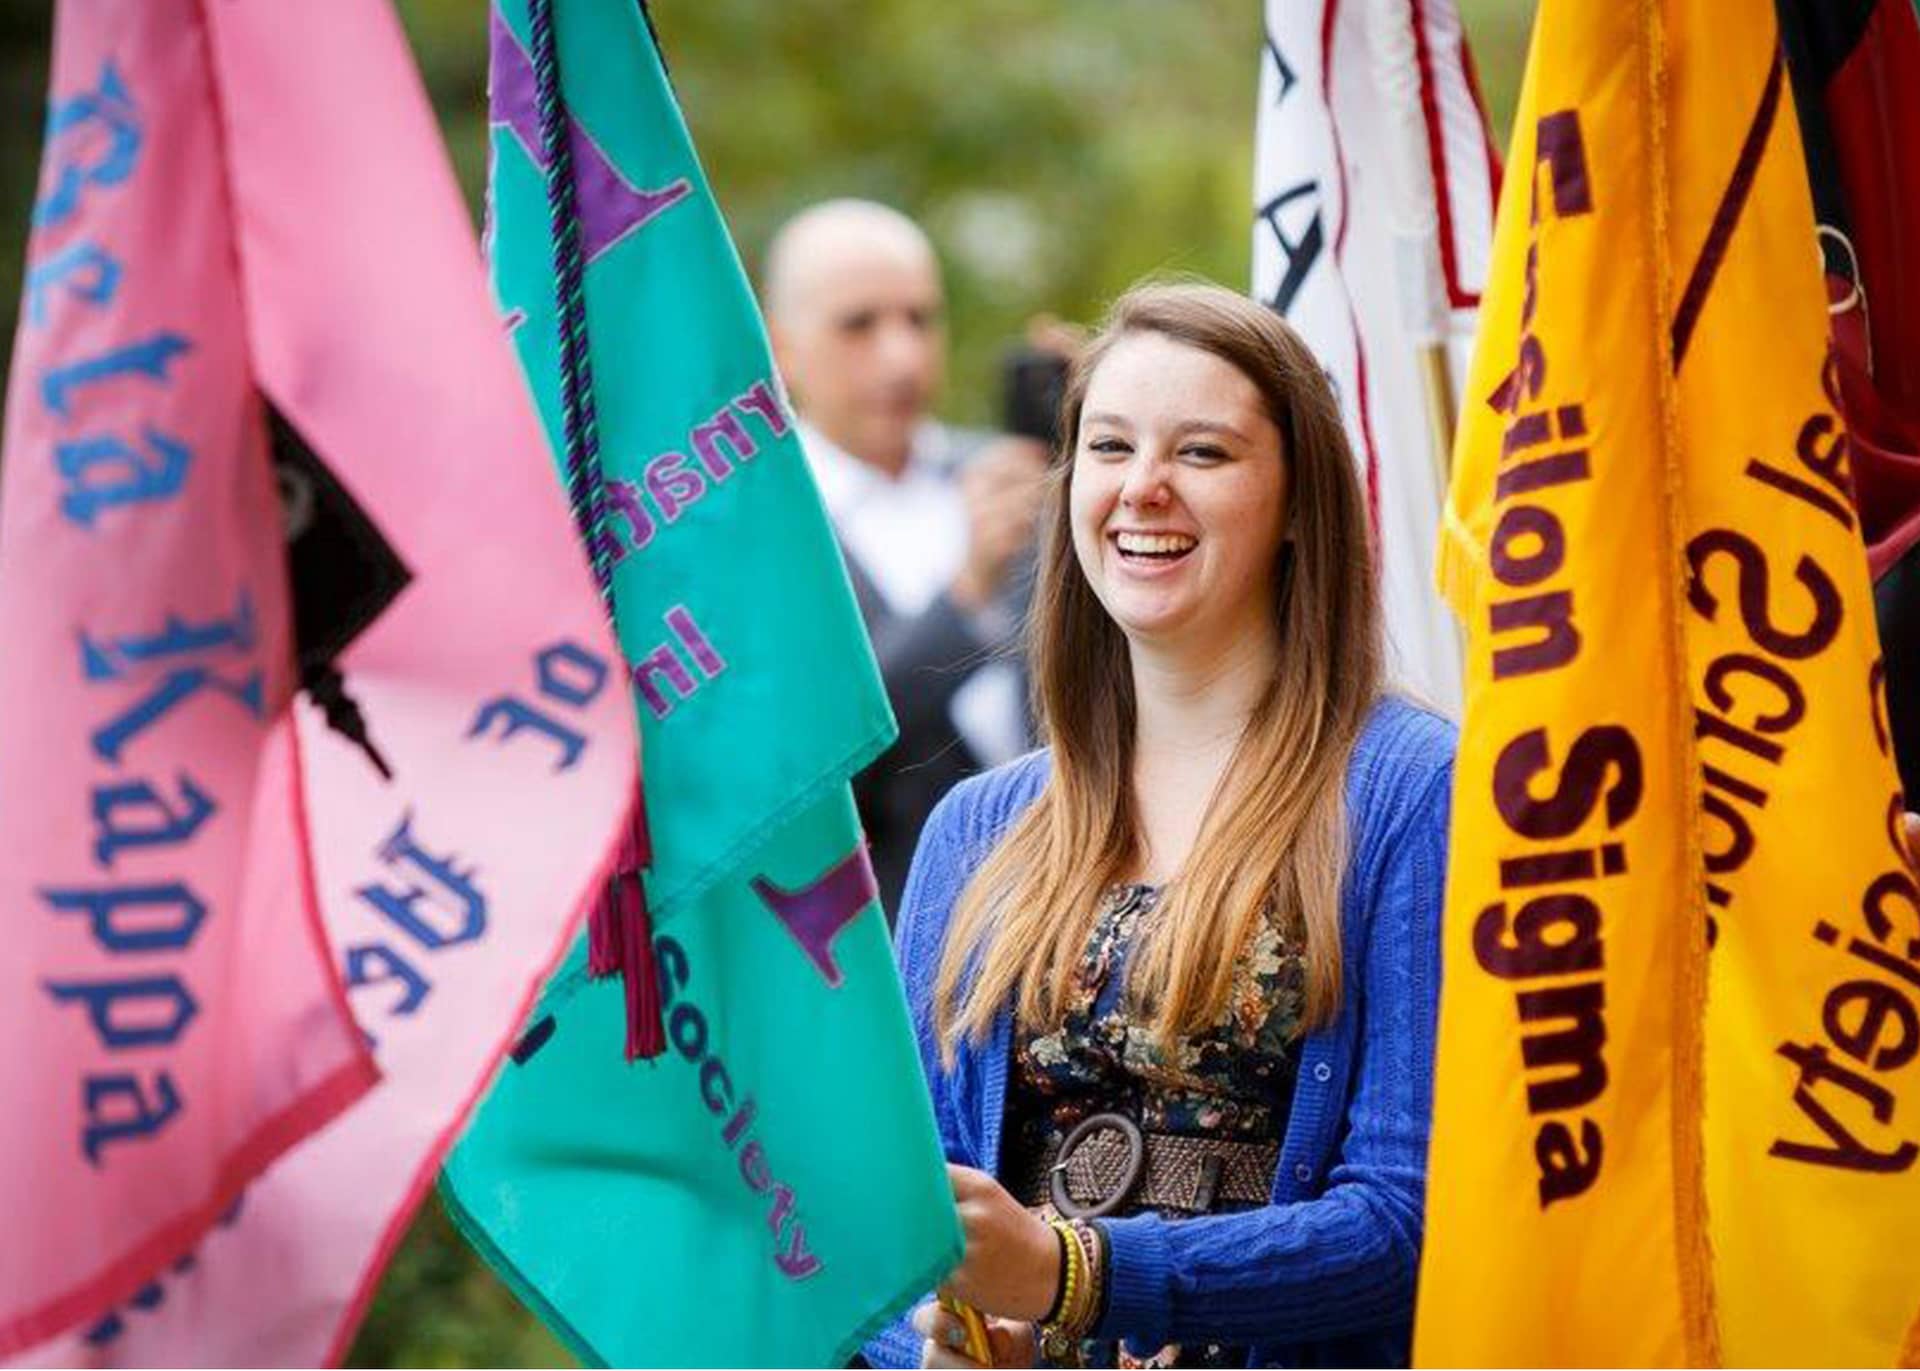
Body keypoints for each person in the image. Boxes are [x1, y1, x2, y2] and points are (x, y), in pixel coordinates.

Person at [863, 281, 1455, 1368]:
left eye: (1204, 454)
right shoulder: (976, 829)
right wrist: (934, 1349)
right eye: (1109, 447)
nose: (1143, 489)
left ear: (1297, 504)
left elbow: (1408, 1220)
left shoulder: (1414, 791)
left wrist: (1072, 1275)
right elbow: (898, 1228)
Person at [762, 199, 1049, 913]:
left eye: (920, 319)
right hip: (886, 940)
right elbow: (811, 761)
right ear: (783, 347)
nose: (902, 355)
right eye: (859, 324)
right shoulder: (763, 530)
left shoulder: (1003, 477)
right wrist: (964, 597)